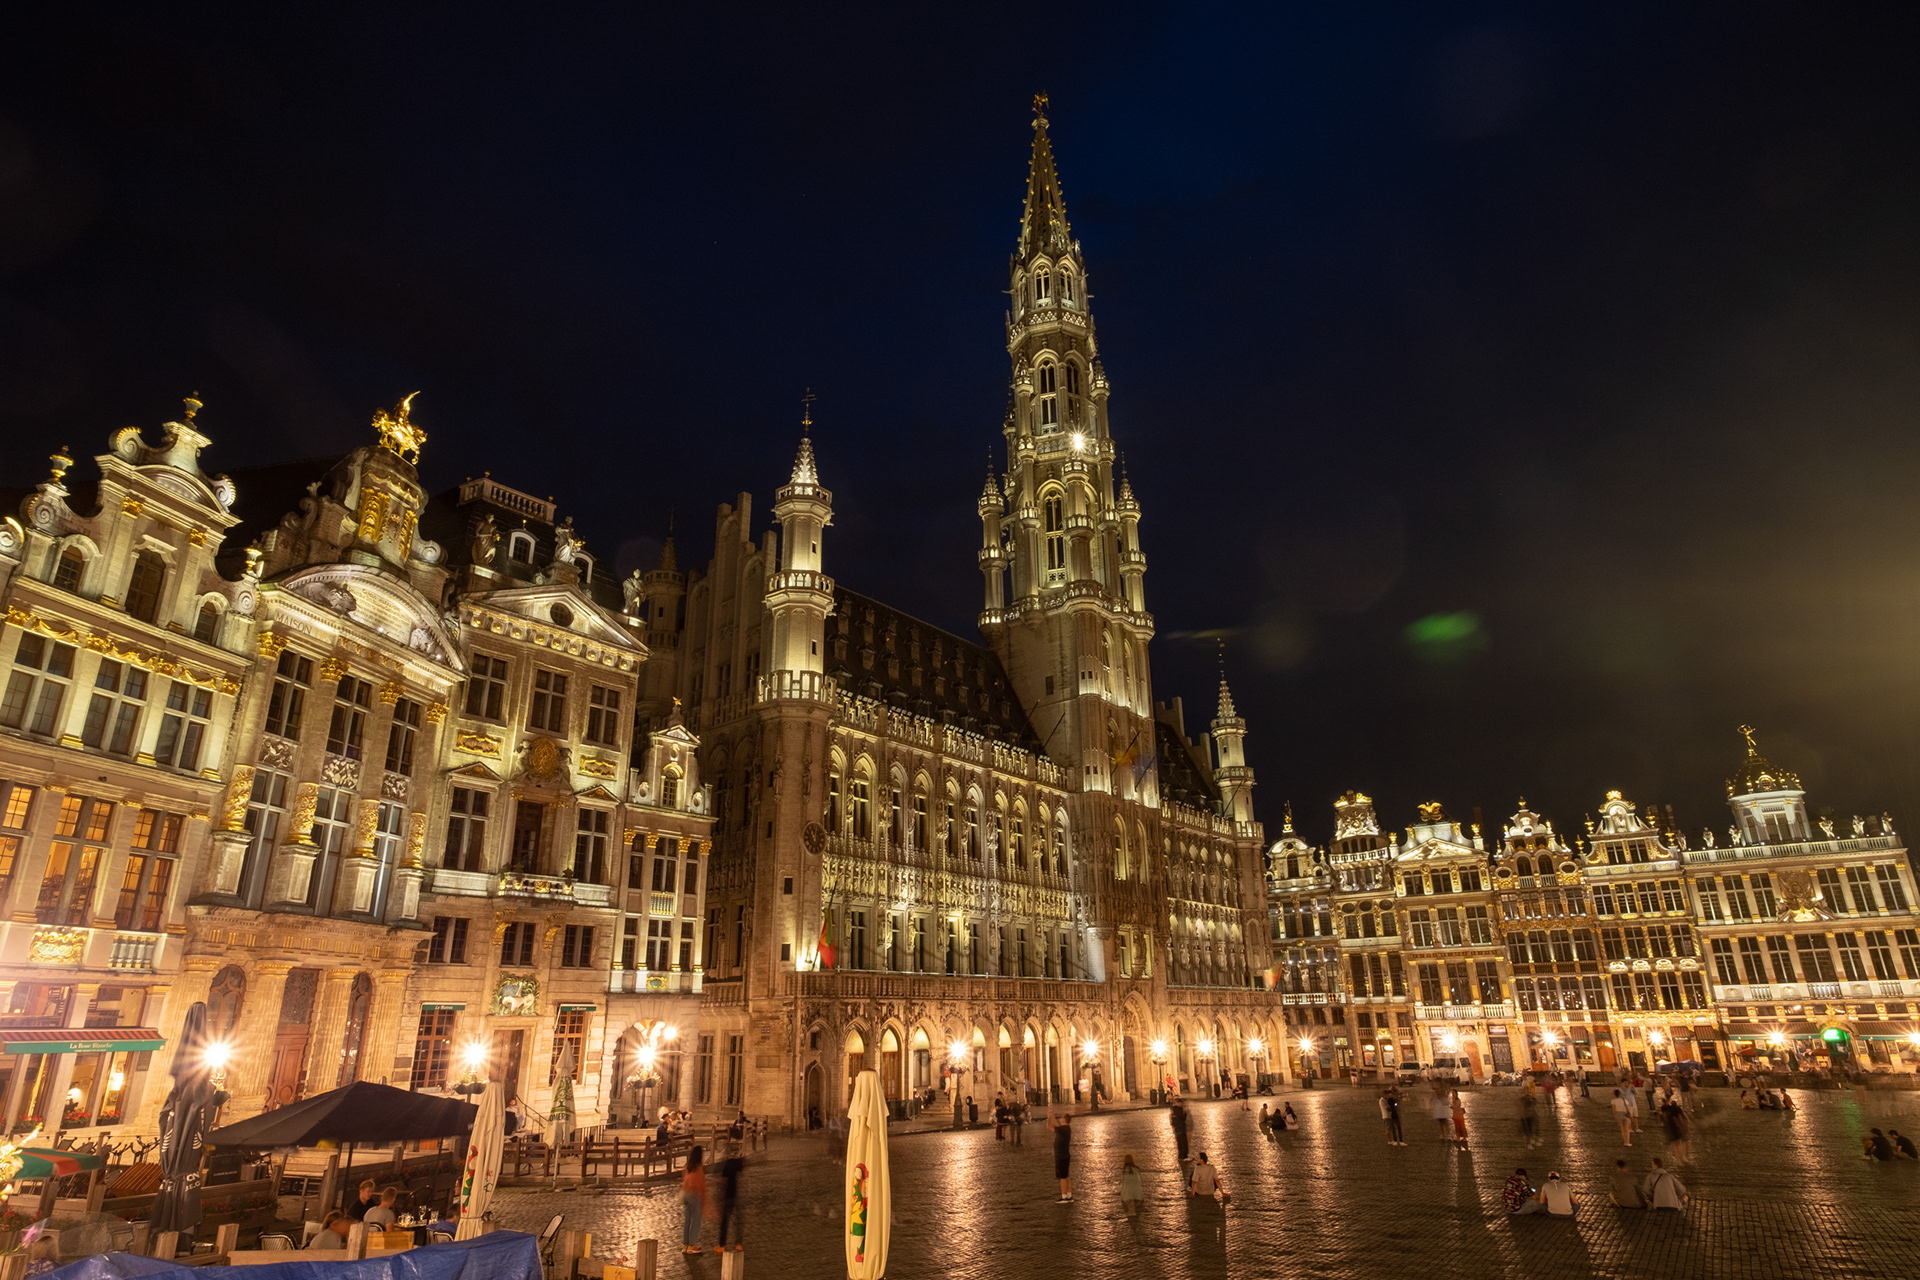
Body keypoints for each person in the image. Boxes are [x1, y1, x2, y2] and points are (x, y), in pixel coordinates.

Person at [715, 1138, 745, 1254]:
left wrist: (716, 1183)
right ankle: (738, 1244)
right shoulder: (736, 1162)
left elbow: (723, 1180)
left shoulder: (725, 1164)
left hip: (727, 1196)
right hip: (735, 1195)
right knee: (738, 1221)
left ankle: (722, 1245)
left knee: (724, 1222)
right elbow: (744, 1171)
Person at [681, 1144, 706, 1255]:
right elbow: (701, 1183)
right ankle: (692, 1246)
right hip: (695, 1195)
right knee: (695, 1221)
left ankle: (685, 1245)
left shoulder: (688, 1166)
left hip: (686, 1194)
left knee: (687, 1221)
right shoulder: (698, 1167)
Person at [1050, 1110, 1074, 1202]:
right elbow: (1057, 1125)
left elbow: (1049, 1127)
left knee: (1062, 1177)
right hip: (1065, 1155)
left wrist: (1049, 1118)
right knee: (1066, 1175)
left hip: (1061, 1156)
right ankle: (1069, 1195)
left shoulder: (1063, 1130)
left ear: (1064, 1120)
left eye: (1061, 1118)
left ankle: (1064, 1197)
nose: (1060, 1119)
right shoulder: (1066, 1129)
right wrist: (1052, 1117)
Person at [1661, 1098, 1691, 1163]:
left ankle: (1678, 1160)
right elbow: (1681, 1118)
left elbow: (1665, 1117)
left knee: (1675, 1144)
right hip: (1677, 1128)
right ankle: (1683, 1157)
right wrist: (1683, 1126)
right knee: (1680, 1143)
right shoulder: (1677, 1110)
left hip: (1671, 1128)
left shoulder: (1668, 1110)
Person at [1119, 1154, 1143, 1218]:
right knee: (1132, 1197)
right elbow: (1140, 1179)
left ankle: (1132, 1211)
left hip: (1129, 1189)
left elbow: (1122, 1180)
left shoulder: (1124, 1170)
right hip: (1137, 1188)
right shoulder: (1136, 1169)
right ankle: (1135, 1206)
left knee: (1129, 1198)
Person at [1170, 1098, 1190, 1162]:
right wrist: (1185, 1112)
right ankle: (1184, 1156)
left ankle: (1180, 1156)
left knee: (1179, 1143)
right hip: (1181, 1128)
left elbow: (1172, 1121)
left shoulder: (1173, 1111)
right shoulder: (1179, 1110)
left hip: (1176, 1129)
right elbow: (1183, 1118)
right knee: (1183, 1143)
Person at [1521, 1083, 1539, 1150]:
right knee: (1527, 1131)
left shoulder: (1530, 1097)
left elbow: (1535, 1104)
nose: (1527, 1092)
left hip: (1531, 1115)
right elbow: (1522, 1107)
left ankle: (1532, 1140)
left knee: (1531, 1129)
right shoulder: (1523, 1098)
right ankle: (1528, 1143)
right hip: (1526, 1116)